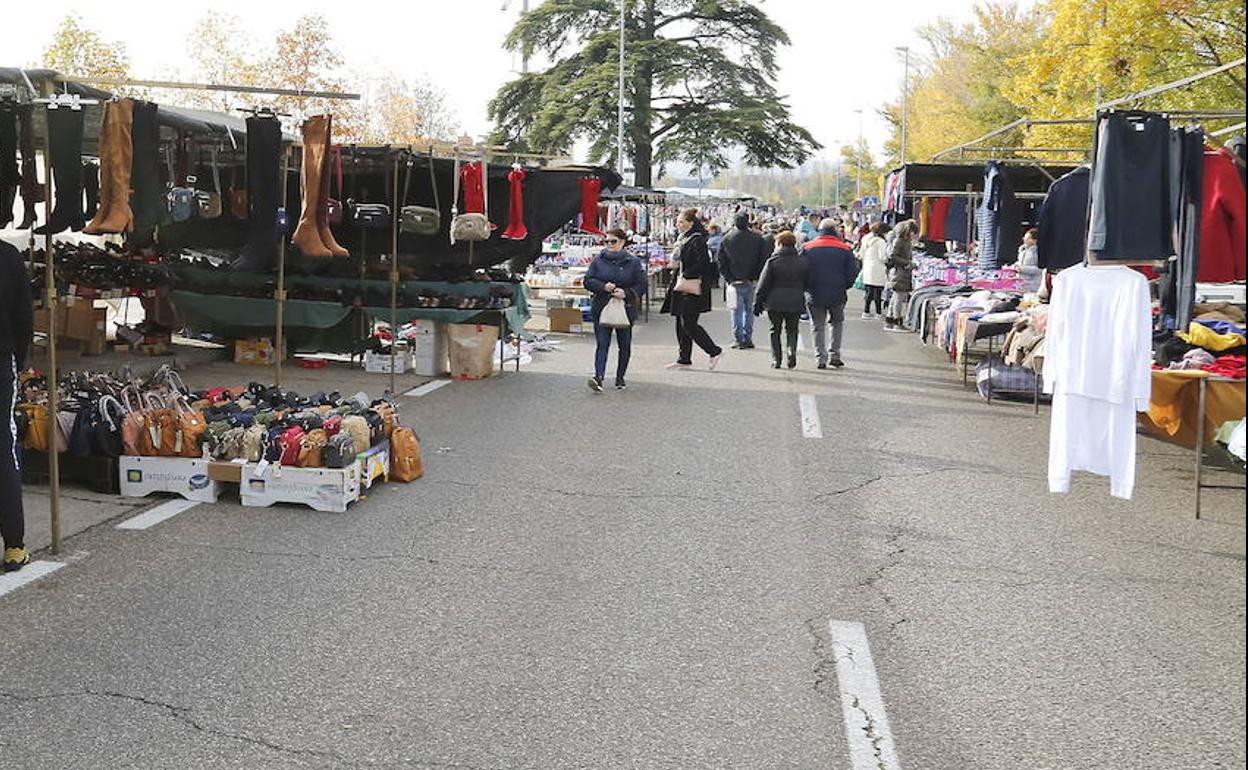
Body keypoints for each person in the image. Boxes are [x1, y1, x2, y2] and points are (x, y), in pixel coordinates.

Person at [583, 228, 648, 392]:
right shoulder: (598, 260)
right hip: (602, 306)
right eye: (607, 241)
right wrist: (603, 286)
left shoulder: (632, 262)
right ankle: (598, 377)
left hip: (625, 309)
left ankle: (620, 377)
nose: (609, 245)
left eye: (613, 241)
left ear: (622, 242)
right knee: (602, 344)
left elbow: (642, 284)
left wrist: (626, 293)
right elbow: (588, 280)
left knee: (624, 344)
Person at [1, 240, 33, 572]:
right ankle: (14, 544)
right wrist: (19, 360)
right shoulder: (8, 256)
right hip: (1, 361)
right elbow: (24, 316)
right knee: (2, 449)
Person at [661, 208, 724, 370]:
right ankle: (684, 358)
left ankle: (714, 351)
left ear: (690, 223)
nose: (678, 225)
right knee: (680, 323)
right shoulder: (683, 238)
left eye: (681, 222)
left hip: (692, 286)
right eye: (677, 222)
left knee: (688, 323)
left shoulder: (697, 240)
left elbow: (703, 265)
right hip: (682, 285)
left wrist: (686, 273)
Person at [803, 219, 859, 369]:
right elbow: (852, 273)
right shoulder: (845, 248)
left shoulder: (807, 247)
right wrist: (845, 286)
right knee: (836, 323)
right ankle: (835, 355)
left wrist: (806, 287)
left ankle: (820, 357)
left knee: (817, 326)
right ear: (835, 230)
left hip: (814, 293)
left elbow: (801, 270)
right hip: (838, 292)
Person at [753, 231, 811, 369]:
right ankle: (791, 350)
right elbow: (809, 282)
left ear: (779, 244)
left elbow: (763, 284)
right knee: (792, 330)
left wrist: (758, 303)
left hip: (774, 302)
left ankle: (776, 359)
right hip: (795, 300)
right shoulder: (802, 261)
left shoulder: (773, 261)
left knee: (775, 330)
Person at [717, 212, 770, 349]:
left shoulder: (727, 238)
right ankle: (748, 338)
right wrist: (756, 276)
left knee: (736, 311)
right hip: (750, 280)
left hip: (734, 281)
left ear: (734, 223)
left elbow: (721, 261)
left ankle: (738, 338)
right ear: (748, 222)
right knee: (749, 311)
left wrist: (729, 278)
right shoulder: (758, 239)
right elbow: (762, 260)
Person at [884, 219, 917, 332]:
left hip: (900, 272)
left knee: (896, 297)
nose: (914, 235)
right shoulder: (900, 241)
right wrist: (907, 263)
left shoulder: (904, 241)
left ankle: (890, 320)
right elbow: (892, 256)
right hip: (899, 272)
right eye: (913, 233)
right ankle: (897, 321)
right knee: (898, 297)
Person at [858, 222, 891, 319]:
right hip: (878, 268)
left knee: (869, 292)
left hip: (868, 267)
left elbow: (861, 254)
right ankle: (878, 313)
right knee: (878, 293)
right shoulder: (881, 242)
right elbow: (882, 257)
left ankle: (866, 312)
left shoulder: (866, 239)